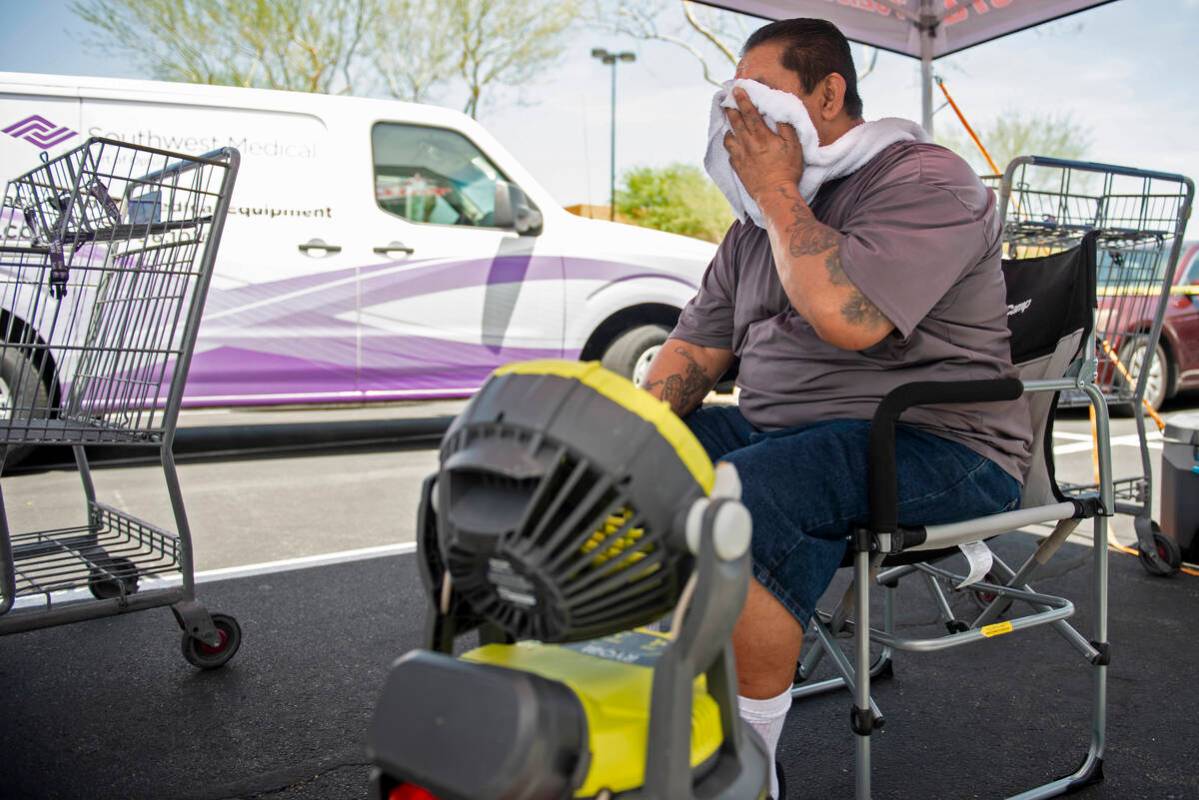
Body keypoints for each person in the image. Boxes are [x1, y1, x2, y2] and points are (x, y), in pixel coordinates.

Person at [640, 18, 1033, 799]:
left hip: (935, 441)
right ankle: (655, 694)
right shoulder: (752, 227)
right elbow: (695, 349)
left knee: (743, 496)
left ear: (828, 93)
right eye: (730, 101)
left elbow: (849, 318)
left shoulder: (925, 180)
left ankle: (743, 770)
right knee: (637, 463)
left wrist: (779, 190)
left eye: (759, 97)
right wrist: (626, 432)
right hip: (788, 430)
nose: (738, 120)